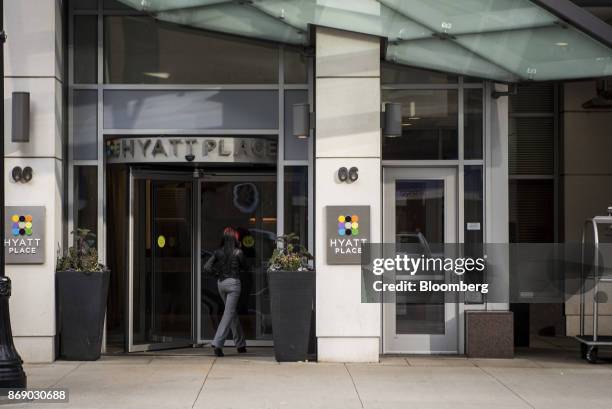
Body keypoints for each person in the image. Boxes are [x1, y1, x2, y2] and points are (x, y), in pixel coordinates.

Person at [203, 227, 248, 357]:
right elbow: (246, 267)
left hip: (221, 284)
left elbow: (206, 267)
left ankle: (240, 344)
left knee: (231, 313)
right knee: (228, 314)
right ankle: (217, 343)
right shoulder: (238, 252)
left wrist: (217, 274)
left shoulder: (218, 252)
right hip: (234, 283)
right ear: (235, 238)